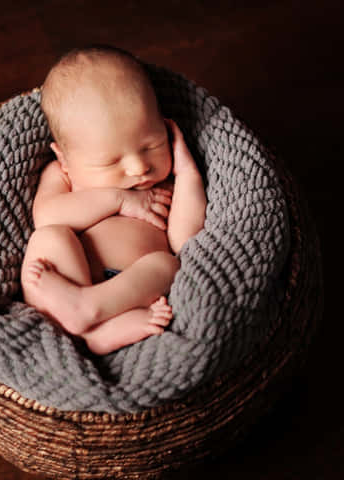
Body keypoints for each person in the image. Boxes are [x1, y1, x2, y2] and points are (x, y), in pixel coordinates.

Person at [21, 45, 207, 355]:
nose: (139, 167)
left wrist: (189, 174)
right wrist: (118, 200)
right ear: (65, 158)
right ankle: (88, 324)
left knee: (167, 264)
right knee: (49, 238)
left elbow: (185, 240)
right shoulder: (63, 175)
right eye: (110, 162)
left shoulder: (168, 181)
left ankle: (93, 319)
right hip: (66, 285)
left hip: (131, 293)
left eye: (151, 145)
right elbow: (47, 217)